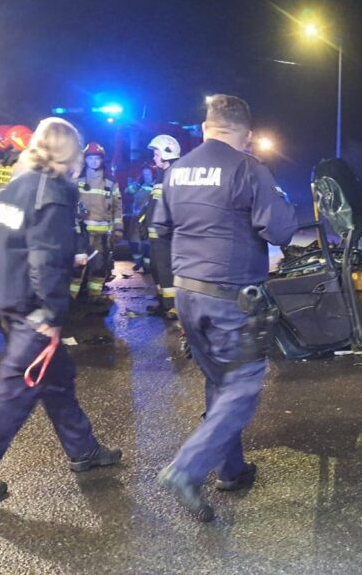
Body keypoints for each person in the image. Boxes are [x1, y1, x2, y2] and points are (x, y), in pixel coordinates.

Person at [0, 117, 122, 500]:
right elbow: (43, 259)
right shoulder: (53, 192)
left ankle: (84, 450)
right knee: (15, 393)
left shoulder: (15, 188)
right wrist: (51, 314)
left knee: (58, 379)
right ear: (68, 153)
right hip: (34, 310)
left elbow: (14, 245)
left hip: (9, 299)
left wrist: (62, 259)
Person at [154, 95, 297, 521]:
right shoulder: (248, 169)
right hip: (229, 296)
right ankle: (186, 469)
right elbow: (281, 230)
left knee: (219, 380)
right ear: (247, 135)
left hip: (187, 293)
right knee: (244, 385)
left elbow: (160, 228)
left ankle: (231, 470)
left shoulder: (177, 170)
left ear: (205, 128)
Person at [74, 142, 123, 302]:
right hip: (81, 233)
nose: (94, 162)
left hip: (102, 234)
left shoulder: (110, 182)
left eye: (97, 158)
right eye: (90, 158)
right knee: (77, 266)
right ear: (85, 160)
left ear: (102, 160)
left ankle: (94, 295)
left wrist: (118, 228)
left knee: (99, 265)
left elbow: (117, 207)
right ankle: (71, 296)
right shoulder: (77, 180)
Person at [145, 134, 181, 318]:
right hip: (156, 236)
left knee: (167, 270)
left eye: (156, 154)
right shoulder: (161, 176)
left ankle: (173, 306)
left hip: (167, 235)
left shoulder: (174, 176)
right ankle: (163, 302)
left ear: (167, 153)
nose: (154, 158)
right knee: (157, 269)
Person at [125, 165, 154, 271]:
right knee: (134, 242)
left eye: (148, 174)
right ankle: (138, 262)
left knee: (147, 243)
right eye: (145, 174)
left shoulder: (156, 186)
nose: (147, 176)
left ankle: (147, 266)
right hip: (136, 218)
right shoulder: (139, 186)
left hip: (149, 218)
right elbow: (127, 191)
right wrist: (134, 183)